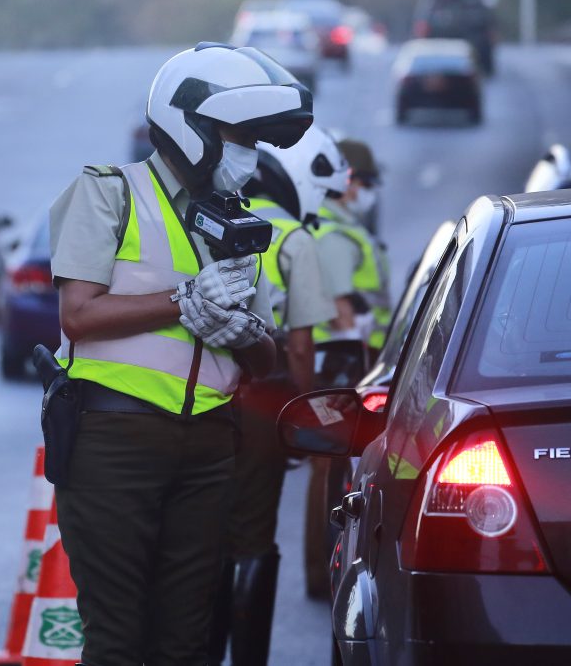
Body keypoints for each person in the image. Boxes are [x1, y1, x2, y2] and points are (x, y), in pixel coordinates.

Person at [48, 42, 313, 666]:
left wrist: (245, 334)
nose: (250, 152)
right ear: (188, 122)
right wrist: (184, 298)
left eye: (256, 138)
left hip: (209, 447)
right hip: (114, 440)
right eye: (238, 133)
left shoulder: (240, 227)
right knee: (119, 638)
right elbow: (77, 316)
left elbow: (265, 361)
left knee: (188, 642)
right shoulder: (110, 193)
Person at [209, 130, 337, 665]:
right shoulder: (293, 238)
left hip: (203, 393)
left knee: (203, 532)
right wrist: (310, 416)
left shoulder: (208, 219)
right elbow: (302, 346)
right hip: (263, 400)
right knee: (253, 535)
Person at [314, 138, 391, 351]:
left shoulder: (338, 225)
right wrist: (355, 357)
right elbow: (339, 308)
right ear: (347, 180)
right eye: (366, 184)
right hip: (352, 356)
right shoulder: (335, 236)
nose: (370, 193)